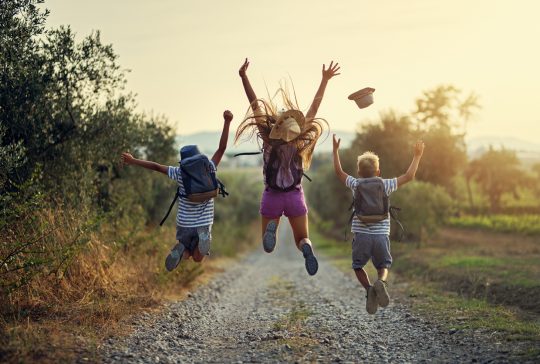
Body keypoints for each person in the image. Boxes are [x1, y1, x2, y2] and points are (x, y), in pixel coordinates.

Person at [235, 58, 340, 276]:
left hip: (272, 195)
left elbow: (255, 104)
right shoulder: (300, 141)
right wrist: (324, 80)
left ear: (275, 126)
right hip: (295, 196)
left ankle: (272, 228)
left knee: (267, 246)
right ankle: (307, 247)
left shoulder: (268, 141)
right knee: (301, 238)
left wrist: (244, 77)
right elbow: (314, 107)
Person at [121, 110, 233, 270]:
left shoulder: (179, 173)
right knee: (198, 258)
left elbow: (156, 166)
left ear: (184, 162)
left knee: (187, 251)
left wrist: (133, 161)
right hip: (204, 223)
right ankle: (202, 237)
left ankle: (181, 249)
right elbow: (221, 149)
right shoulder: (209, 167)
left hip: (184, 224)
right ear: (199, 157)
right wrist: (227, 122)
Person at [332, 134, 425, 314]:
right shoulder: (386, 184)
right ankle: (380, 282)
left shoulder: (355, 184)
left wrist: (336, 151)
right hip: (381, 235)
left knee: (358, 266)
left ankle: (368, 289)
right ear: (378, 171)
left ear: (359, 172)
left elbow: (339, 173)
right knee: (383, 265)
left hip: (362, 236)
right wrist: (417, 155)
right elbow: (409, 176)